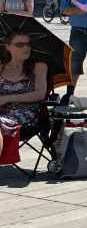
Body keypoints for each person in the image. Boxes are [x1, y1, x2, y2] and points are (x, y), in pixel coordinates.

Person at [0, 31, 47, 161]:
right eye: (20, 44)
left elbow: (40, 94)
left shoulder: (39, 67)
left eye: (28, 44)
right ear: (8, 47)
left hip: (27, 117)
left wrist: (7, 98)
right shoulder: (1, 68)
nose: (26, 48)